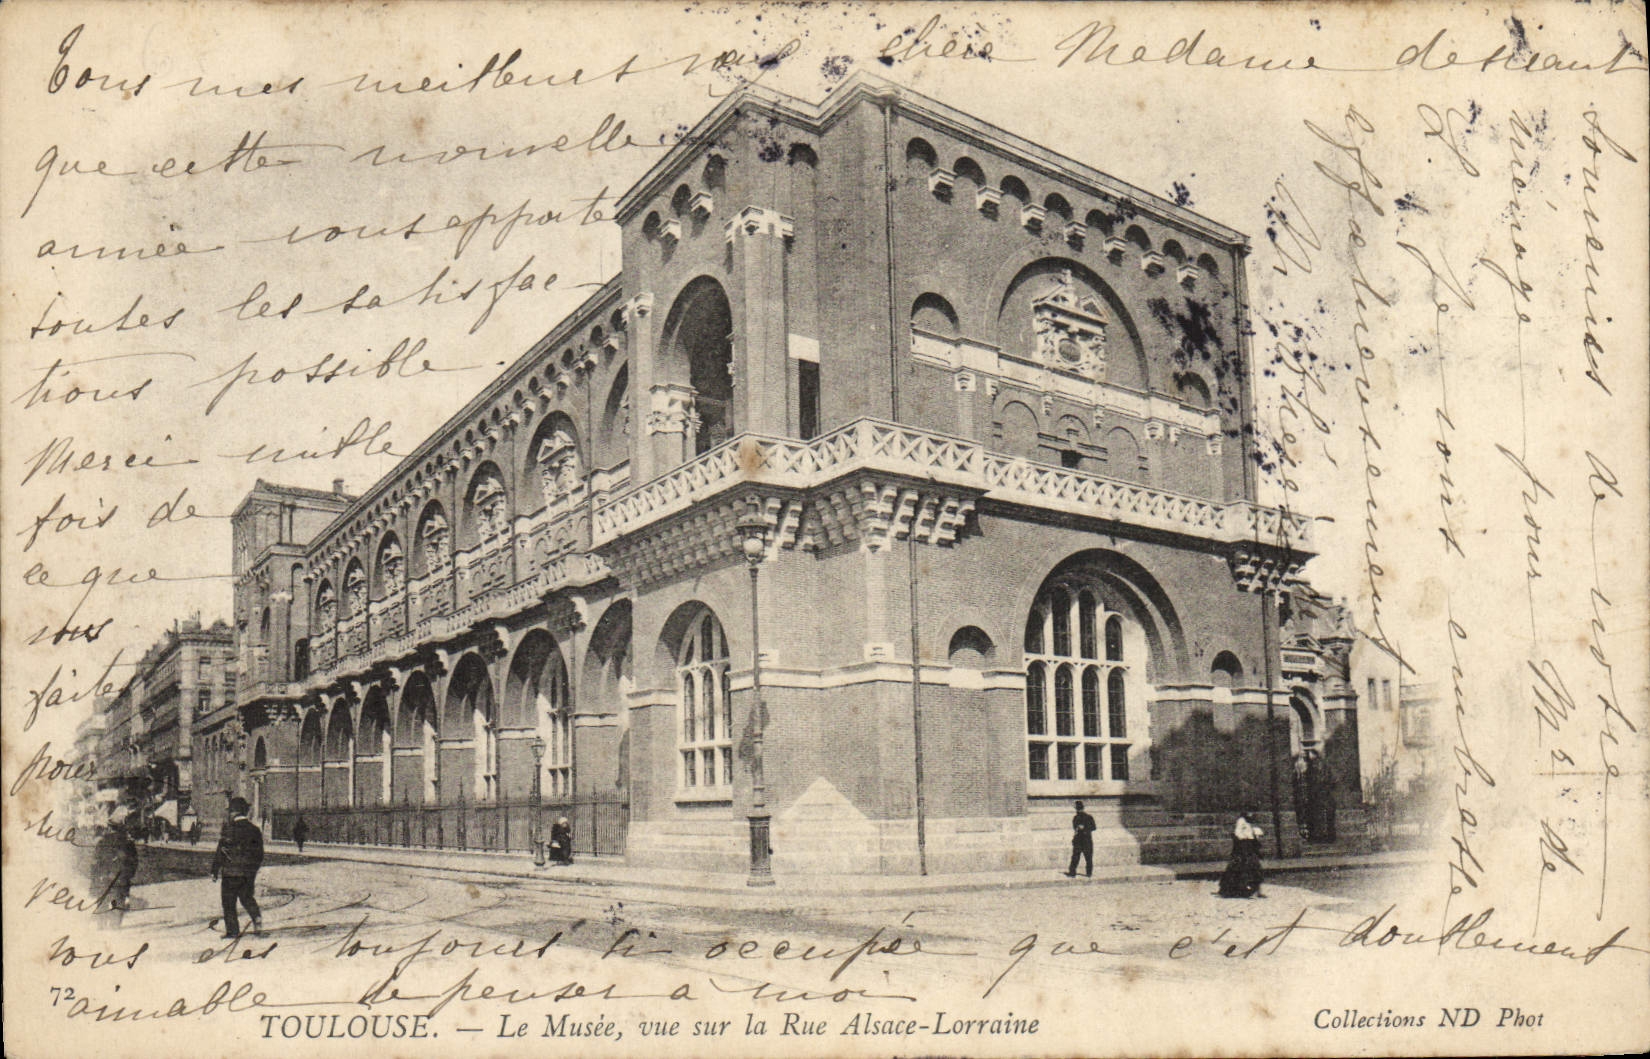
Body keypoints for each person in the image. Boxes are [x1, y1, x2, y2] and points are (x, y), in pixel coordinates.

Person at [211, 796, 264, 938]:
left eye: (230, 811)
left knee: (228, 902)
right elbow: (259, 854)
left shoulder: (229, 829)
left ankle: (233, 931)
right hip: (247, 872)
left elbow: (221, 851)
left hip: (230, 872)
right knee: (247, 897)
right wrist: (253, 870)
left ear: (234, 812)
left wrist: (215, 870)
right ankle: (256, 916)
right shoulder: (254, 830)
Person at [94, 811, 140, 913]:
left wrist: (100, 874)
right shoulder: (128, 842)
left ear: (109, 828)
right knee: (120, 901)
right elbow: (134, 861)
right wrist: (129, 875)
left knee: (103, 901)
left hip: (106, 876)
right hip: (121, 877)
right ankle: (118, 917)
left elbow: (97, 859)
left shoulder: (103, 841)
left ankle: (102, 921)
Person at [1218, 809, 1265, 898]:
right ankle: (1244, 891)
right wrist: (1245, 838)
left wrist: (1255, 834)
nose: (1251, 814)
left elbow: (1254, 833)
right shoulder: (1241, 821)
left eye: (1251, 812)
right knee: (1243, 868)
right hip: (1244, 847)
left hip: (1251, 846)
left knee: (1255, 868)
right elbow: (1238, 833)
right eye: (1249, 812)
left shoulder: (1250, 822)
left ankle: (1257, 891)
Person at [1065, 800, 1096, 878]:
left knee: (1083, 857)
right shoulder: (1078, 817)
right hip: (1082, 840)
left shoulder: (1086, 817)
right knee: (1080, 857)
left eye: (1078, 808)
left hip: (1084, 840)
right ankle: (1085, 873)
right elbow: (1075, 828)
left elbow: (1093, 827)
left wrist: (1084, 828)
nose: (1078, 810)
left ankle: (1075, 873)